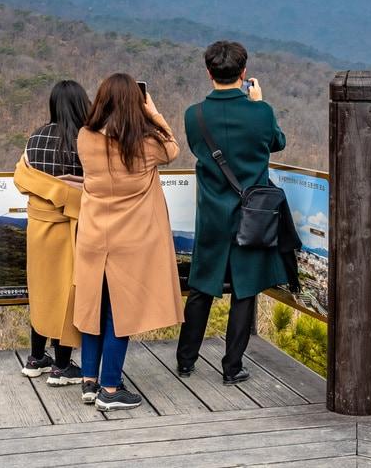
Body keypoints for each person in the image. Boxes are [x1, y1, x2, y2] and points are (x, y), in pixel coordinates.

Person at [176, 40, 287, 384]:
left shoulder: (194, 116)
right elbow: (277, 142)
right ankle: (232, 366)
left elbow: (198, 148)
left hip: (211, 215)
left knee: (201, 286)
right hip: (251, 215)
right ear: (244, 74)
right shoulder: (262, 113)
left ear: (208, 72)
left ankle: (185, 360)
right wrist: (259, 102)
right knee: (245, 288)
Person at [73, 73, 184, 410]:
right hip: (130, 242)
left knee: (94, 308)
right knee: (120, 313)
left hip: (93, 237)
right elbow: (173, 149)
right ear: (135, 104)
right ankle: (110, 389)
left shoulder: (85, 137)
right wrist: (153, 114)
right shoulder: (144, 145)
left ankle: (89, 381)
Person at [14, 80, 91, 385]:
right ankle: (61, 365)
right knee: (67, 293)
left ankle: (35, 358)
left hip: (37, 226)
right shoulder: (84, 141)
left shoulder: (34, 139)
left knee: (41, 289)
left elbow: (22, 177)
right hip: (71, 226)